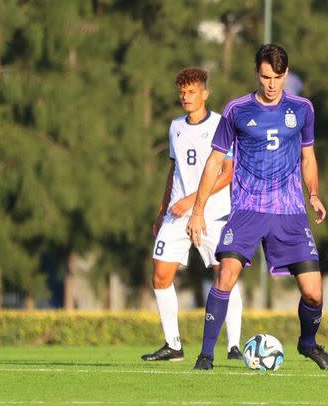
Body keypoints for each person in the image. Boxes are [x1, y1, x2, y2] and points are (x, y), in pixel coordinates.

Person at [186, 44, 328, 371]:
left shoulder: (302, 109)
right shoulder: (236, 110)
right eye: (266, 77)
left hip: (290, 211)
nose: (271, 85)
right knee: (226, 274)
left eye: (278, 77)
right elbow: (215, 161)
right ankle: (205, 356)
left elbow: (308, 156)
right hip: (248, 210)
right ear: (257, 73)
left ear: (286, 74)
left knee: (314, 293)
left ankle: (308, 343)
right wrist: (198, 210)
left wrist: (313, 193)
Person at [142, 67, 243, 362]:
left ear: (205, 94)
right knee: (160, 275)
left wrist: (193, 200)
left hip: (212, 213)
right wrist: (163, 210)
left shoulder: (221, 125)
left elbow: (227, 173)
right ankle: (173, 345)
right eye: (182, 92)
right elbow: (174, 170)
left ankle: (233, 346)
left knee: (224, 275)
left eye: (192, 92)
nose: (186, 97)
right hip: (177, 212)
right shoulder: (175, 127)